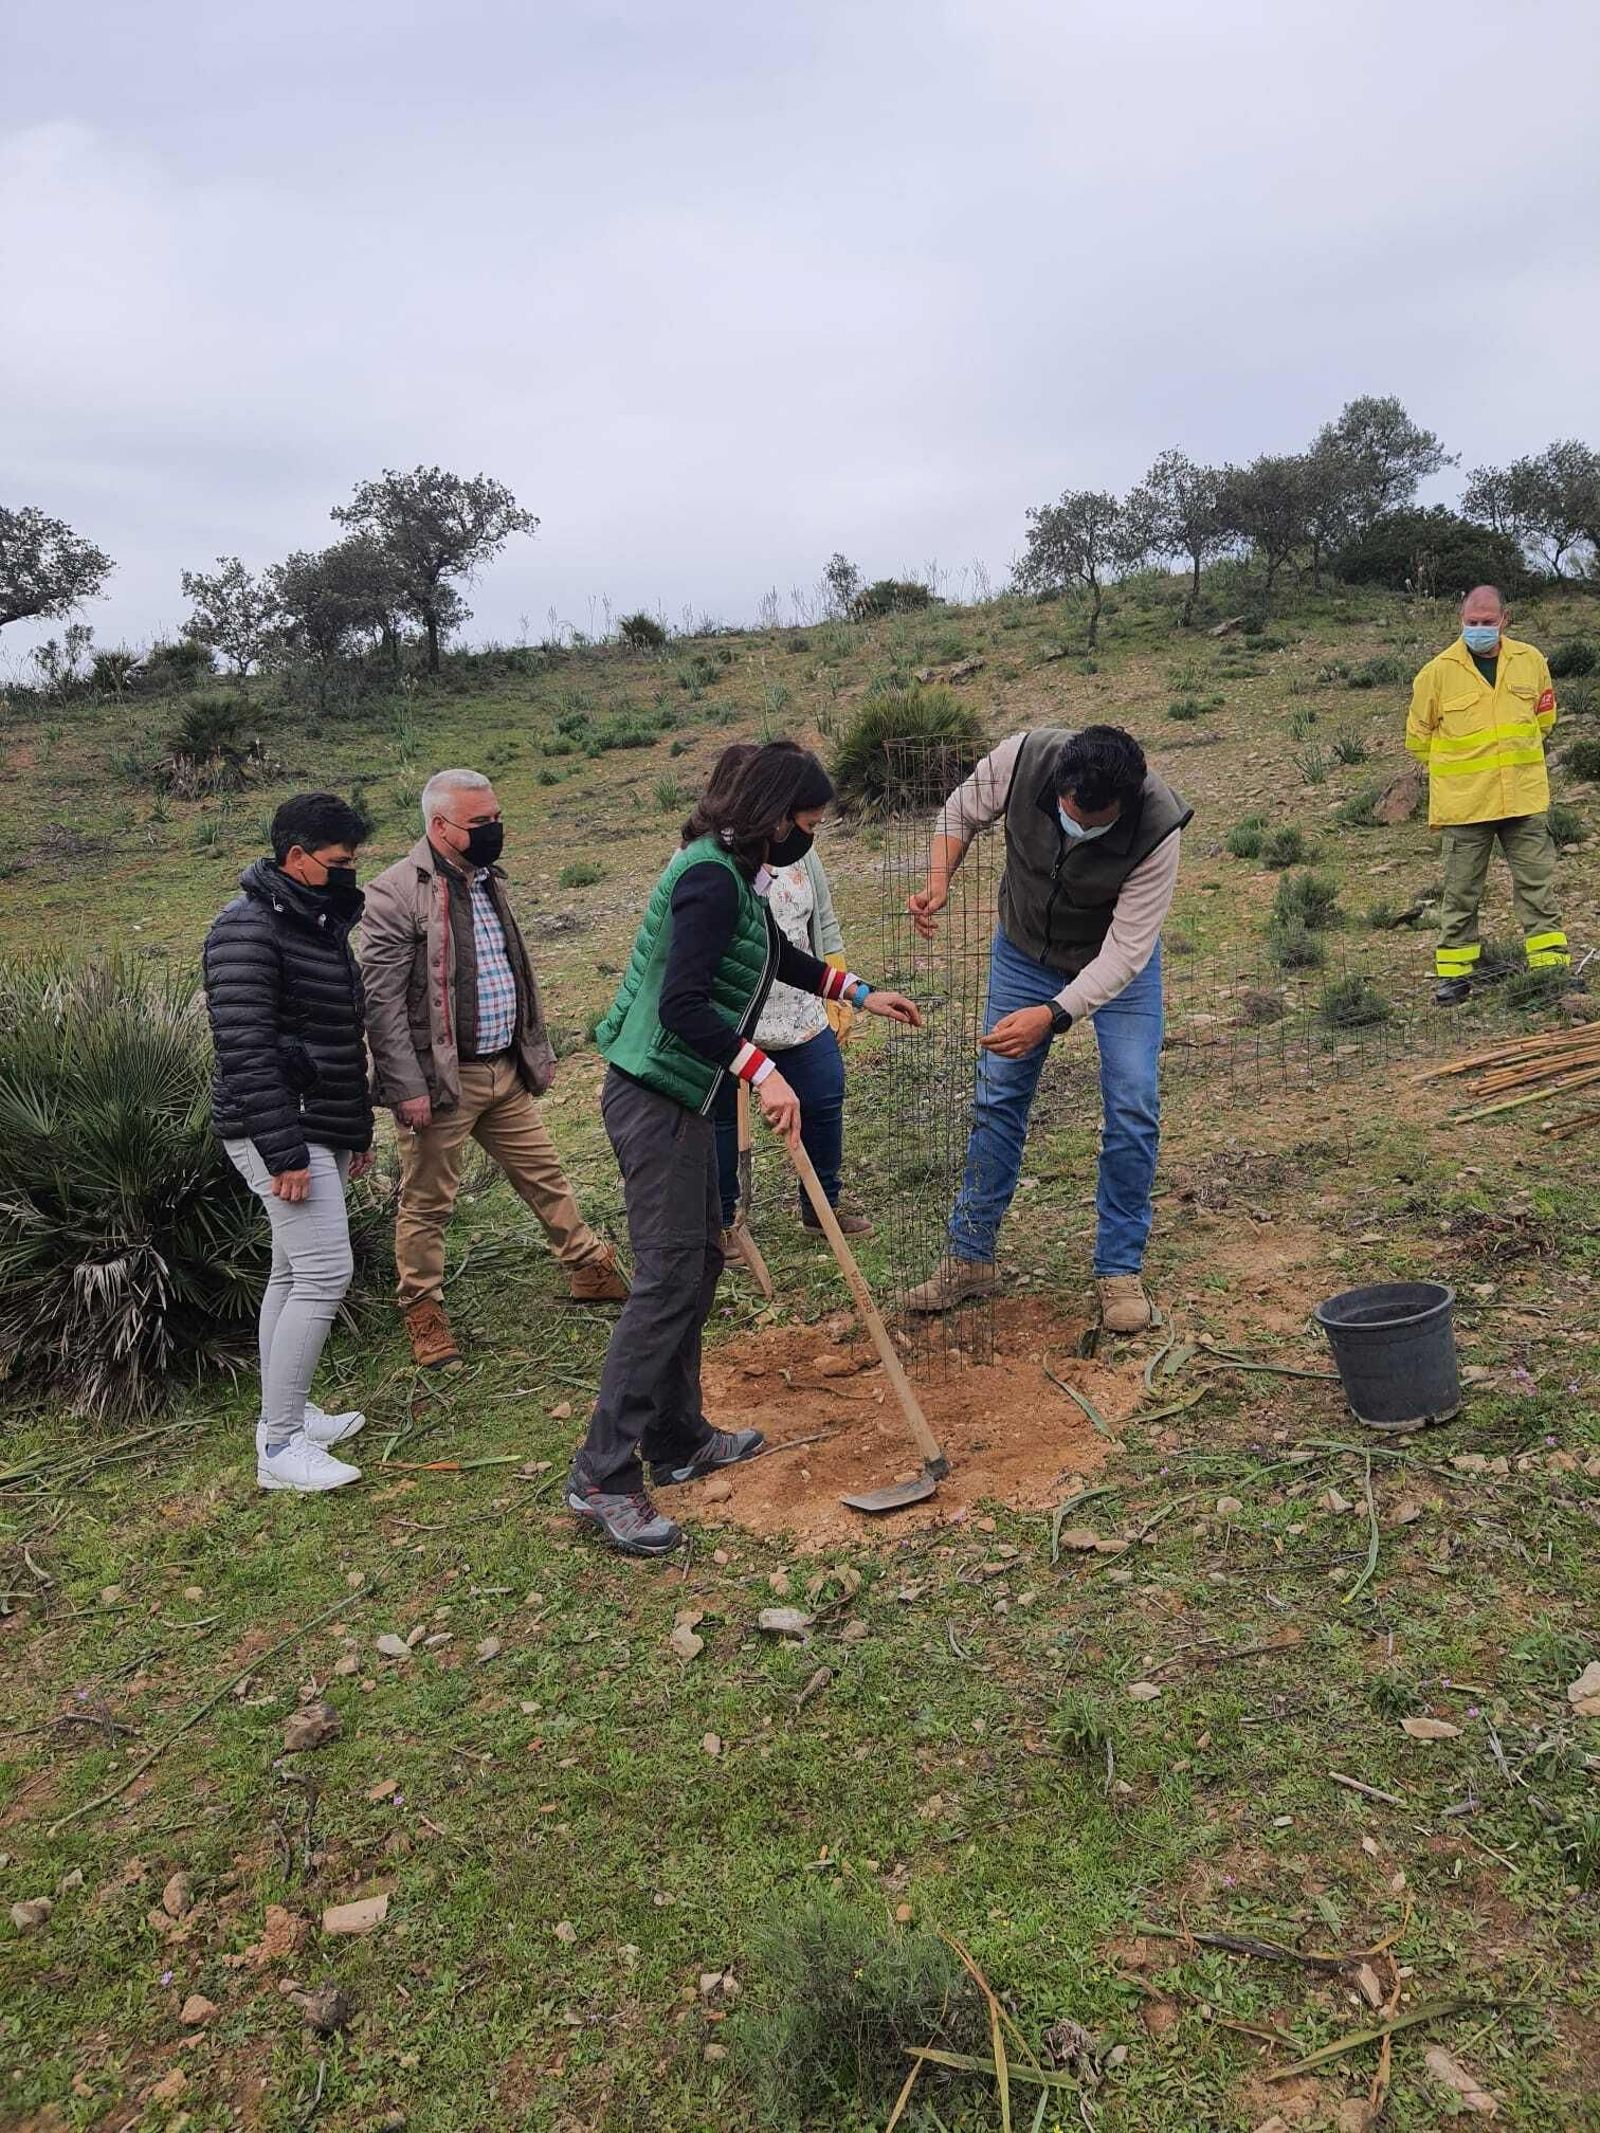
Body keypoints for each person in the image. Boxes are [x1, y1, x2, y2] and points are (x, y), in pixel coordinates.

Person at [566, 741, 922, 1556]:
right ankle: (601, 1475)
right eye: (805, 821)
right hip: (655, 1094)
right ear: (771, 814)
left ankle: (677, 1435)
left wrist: (859, 993)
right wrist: (763, 1072)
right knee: (663, 1279)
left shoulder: (738, 876)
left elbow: (777, 958)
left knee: (699, 1260)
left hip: (683, 1092)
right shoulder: (705, 879)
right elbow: (687, 1002)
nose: (810, 836)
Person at [904, 725, 1190, 1335]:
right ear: (1059, 782)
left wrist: (1055, 1015)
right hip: (1024, 950)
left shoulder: (1159, 824)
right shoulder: (1025, 757)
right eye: (1068, 815)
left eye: (1094, 823)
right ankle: (970, 1256)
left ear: (1128, 801)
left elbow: (1127, 953)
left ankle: (1118, 1269)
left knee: (1134, 1102)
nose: (1076, 828)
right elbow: (960, 810)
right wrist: (939, 878)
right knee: (998, 1093)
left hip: (1115, 965)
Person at [361, 768, 627, 1369]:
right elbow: (381, 1006)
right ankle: (423, 1313)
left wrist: (533, 1051)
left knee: (546, 1175)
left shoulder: (489, 881)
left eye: (496, 817)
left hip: (503, 1070)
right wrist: (407, 1087)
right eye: (479, 823)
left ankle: (587, 1269)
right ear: (439, 826)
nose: (494, 830)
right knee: (428, 1203)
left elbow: (514, 970)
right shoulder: (393, 893)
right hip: (439, 1084)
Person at [202, 792, 375, 1493]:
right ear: (295, 856)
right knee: (325, 1274)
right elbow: (245, 1051)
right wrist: (286, 1154)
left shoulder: (314, 920)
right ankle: (279, 1445)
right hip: (276, 1129)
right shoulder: (245, 930)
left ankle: (289, 1409)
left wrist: (353, 1131)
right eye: (336, 862)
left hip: (316, 1122)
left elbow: (337, 1034)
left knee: (289, 1272)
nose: (346, 874)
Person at [702, 744, 869, 1257]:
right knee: (724, 1123)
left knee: (823, 1095)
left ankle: (822, 1205)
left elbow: (803, 933)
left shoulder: (797, 853)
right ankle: (726, 1219)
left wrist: (846, 988)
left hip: (799, 1006)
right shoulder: (715, 870)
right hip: (736, 1018)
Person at [1406, 585, 1570, 1005]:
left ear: (1505, 619)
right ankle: (1454, 978)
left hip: (1523, 799)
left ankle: (1551, 971)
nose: (1479, 630)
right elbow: (1417, 739)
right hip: (1466, 805)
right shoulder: (1436, 673)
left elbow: (1544, 720)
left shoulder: (1531, 662)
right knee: (1461, 893)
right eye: (1472, 623)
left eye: (1488, 623)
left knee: (1537, 886)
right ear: (1460, 621)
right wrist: (1460, 772)